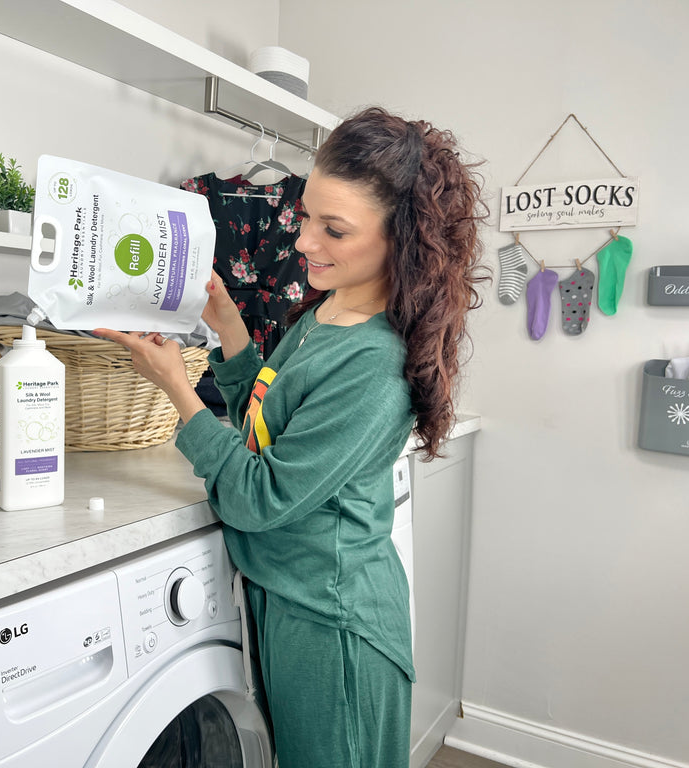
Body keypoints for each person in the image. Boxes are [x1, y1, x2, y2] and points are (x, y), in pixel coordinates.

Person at [94, 106, 488, 768]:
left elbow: (257, 495)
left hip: (335, 630)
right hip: (295, 602)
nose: (304, 242)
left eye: (333, 229)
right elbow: (269, 418)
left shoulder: (374, 362)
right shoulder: (330, 308)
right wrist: (227, 325)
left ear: (404, 241)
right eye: (306, 216)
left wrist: (176, 387)